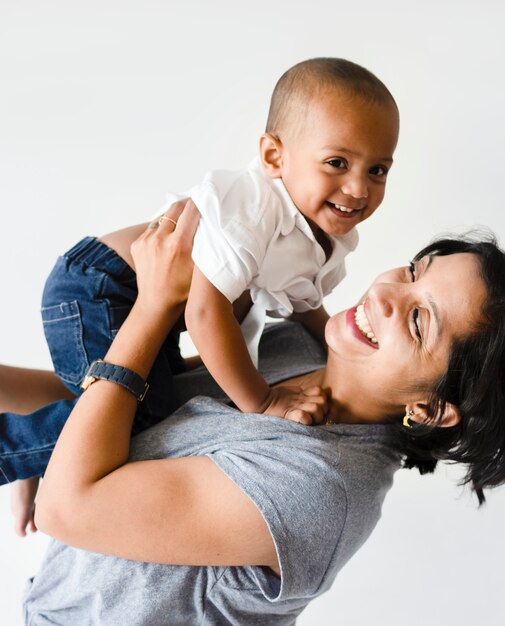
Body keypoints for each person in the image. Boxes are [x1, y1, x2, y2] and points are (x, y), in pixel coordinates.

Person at [19, 201, 505, 624]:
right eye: (414, 271)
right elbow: (123, 400)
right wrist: (54, 447)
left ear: (431, 408)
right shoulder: (302, 354)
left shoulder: (320, 488)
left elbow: (66, 508)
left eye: (420, 320)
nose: (383, 294)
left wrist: (154, 305)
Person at [2, 57, 399, 534]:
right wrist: (264, 401)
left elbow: (306, 304)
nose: (359, 188)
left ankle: (33, 444)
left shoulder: (328, 235)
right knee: (133, 419)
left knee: (139, 402)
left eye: (377, 170)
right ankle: (14, 454)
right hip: (101, 286)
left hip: (140, 301)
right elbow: (207, 314)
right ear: (275, 157)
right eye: (337, 163)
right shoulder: (254, 209)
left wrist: (332, 346)